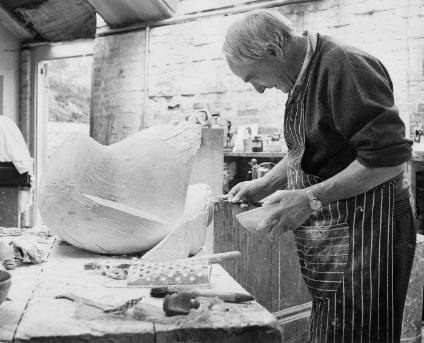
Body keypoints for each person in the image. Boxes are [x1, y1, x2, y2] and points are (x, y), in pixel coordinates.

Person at [223, 9, 416, 343]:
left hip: (370, 232)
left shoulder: (345, 66)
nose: (257, 90)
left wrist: (309, 198)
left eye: (253, 78)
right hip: (339, 233)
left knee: (360, 335)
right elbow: (310, 146)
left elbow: (389, 160)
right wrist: (266, 184)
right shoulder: (301, 77)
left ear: (274, 50)